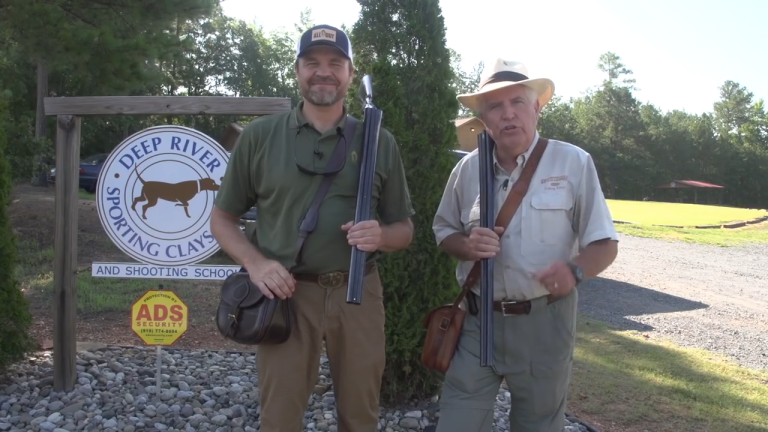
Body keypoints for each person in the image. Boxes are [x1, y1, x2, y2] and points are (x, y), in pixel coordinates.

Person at [210, 24, 415, 432]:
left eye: (335, 64)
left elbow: (404, 229)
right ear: (297, 70)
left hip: (358, 294)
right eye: (312, 63)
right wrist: (256, 264)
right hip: (285, 294)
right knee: (280, 417)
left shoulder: (380, 141)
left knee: (360, 417)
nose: (324, 72)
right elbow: (222, 219)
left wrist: (381, 236)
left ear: (350, 74)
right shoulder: (259, 137)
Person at [431, 58, 619, 432]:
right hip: (476, 322)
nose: (508, 115)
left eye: (517, 102)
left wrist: (574, 270)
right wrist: (467, 245)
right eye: (495, 106)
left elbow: (605, 243)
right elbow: (443, 230)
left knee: (538, 425)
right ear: (483, 118)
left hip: (544, 323)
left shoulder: (573, 162)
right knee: (456, 424)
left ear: (537, 108)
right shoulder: (467, 169)